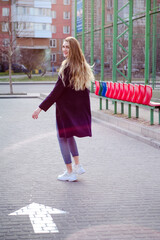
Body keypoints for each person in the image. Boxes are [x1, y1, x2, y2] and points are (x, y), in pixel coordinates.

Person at [32, 36, 94, 182]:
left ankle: (70, 172)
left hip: (65, 112)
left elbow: (56, 92)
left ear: (73, 49)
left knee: (62, 139)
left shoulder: (67, 67)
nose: (64, 49)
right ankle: (77, 165)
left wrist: (39, 108)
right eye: (63, 46)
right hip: (74, 110)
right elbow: (84, 93)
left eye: (67, 47)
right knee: (69, 136)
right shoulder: (81, 65)